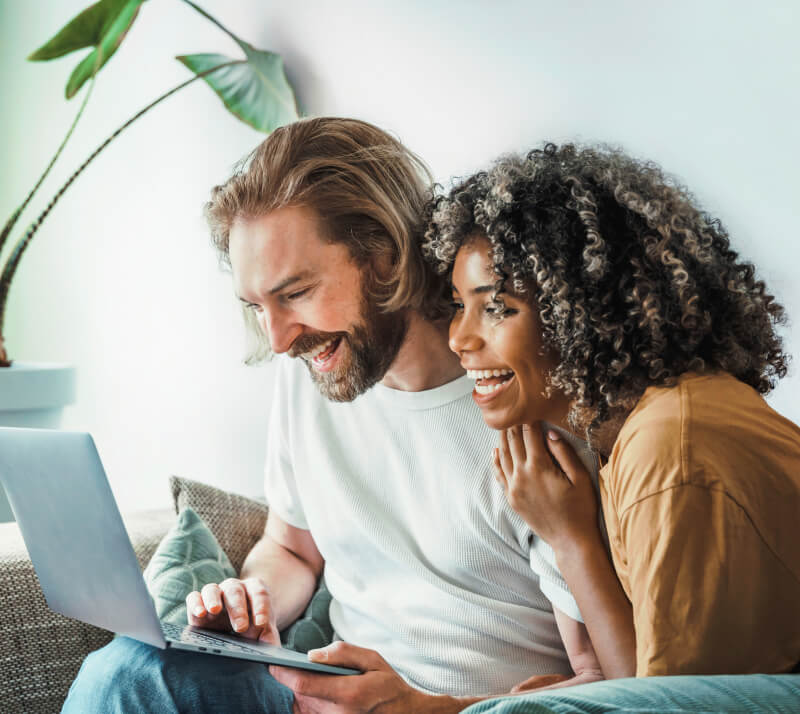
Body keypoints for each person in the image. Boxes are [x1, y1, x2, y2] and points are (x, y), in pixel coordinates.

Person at [62, 119, 618, 714]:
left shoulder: (529, 410)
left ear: (384, 256)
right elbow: (293, 548)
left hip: (455, 708)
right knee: (129, 673)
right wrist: (256, 603)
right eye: (257, 306)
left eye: (295, 292)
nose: (277, 340)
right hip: (313, 699)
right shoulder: (314, 373)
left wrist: (422, 705)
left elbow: (607, 680)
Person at [423, 142, 800, 678]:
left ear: (587, 314)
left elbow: (661, 709)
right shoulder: (634, 433)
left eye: (497, 308)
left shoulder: (671, 452)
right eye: (461, 307)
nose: (459, 338)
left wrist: (569, 540)